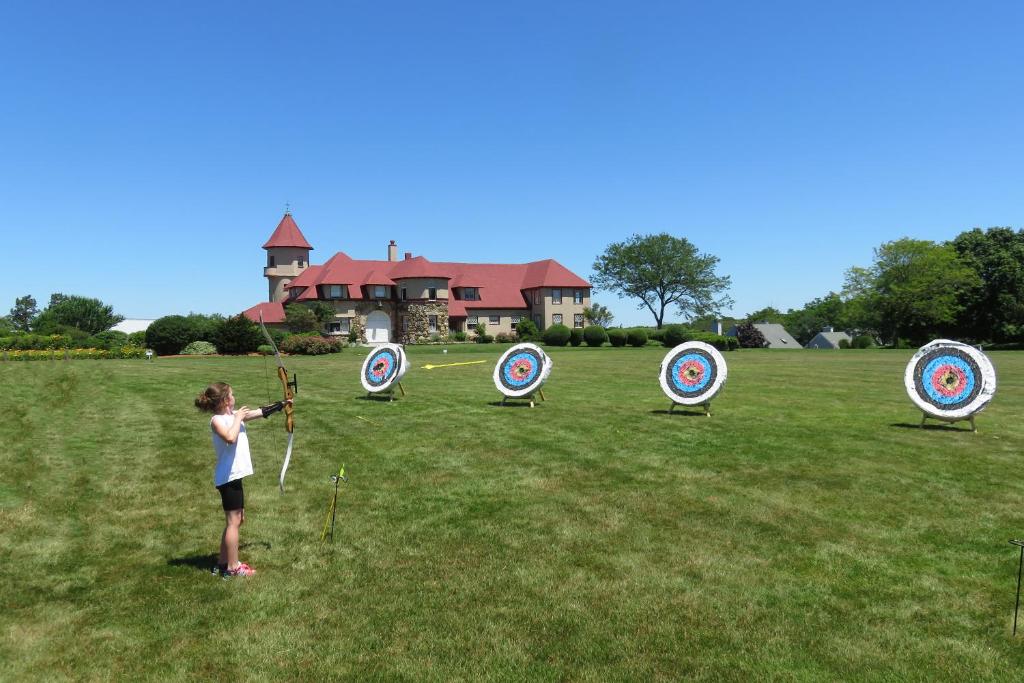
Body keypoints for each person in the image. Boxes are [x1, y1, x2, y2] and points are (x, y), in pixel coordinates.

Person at [194, 382, 291, 578]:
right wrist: (238, 417)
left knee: (237, 520)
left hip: (234, 476)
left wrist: (283, 404)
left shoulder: (232, 416)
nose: (234, 396)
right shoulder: (217, 420)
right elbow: (230, 437)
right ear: (225, 400)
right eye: (232, 394)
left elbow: (260, 412)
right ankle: (232, 567)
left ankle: (222, 562)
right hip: (227, 478)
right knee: (233, 522)